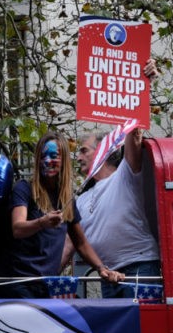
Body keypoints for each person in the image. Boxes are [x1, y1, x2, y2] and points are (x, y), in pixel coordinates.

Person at [0, 133, 121, 298]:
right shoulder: (24, 188)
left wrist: (101, 268)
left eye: (54, 156)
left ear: (64, 160)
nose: (47, 160)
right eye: (43, 156)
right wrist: (41, 223)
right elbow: (18, 228)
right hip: (18, 283)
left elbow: (80, 243)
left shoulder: (65, 199)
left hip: (45, 285)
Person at [64, 120, 160, 297]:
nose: (77, 157)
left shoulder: (125, 175)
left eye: (84, 150)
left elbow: (134, 136)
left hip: (140, 267)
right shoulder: (80, 200)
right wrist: (41, 281)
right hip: (108, 275)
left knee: (142, 325)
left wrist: (130, 107)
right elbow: (69, 244)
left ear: (102, 149)